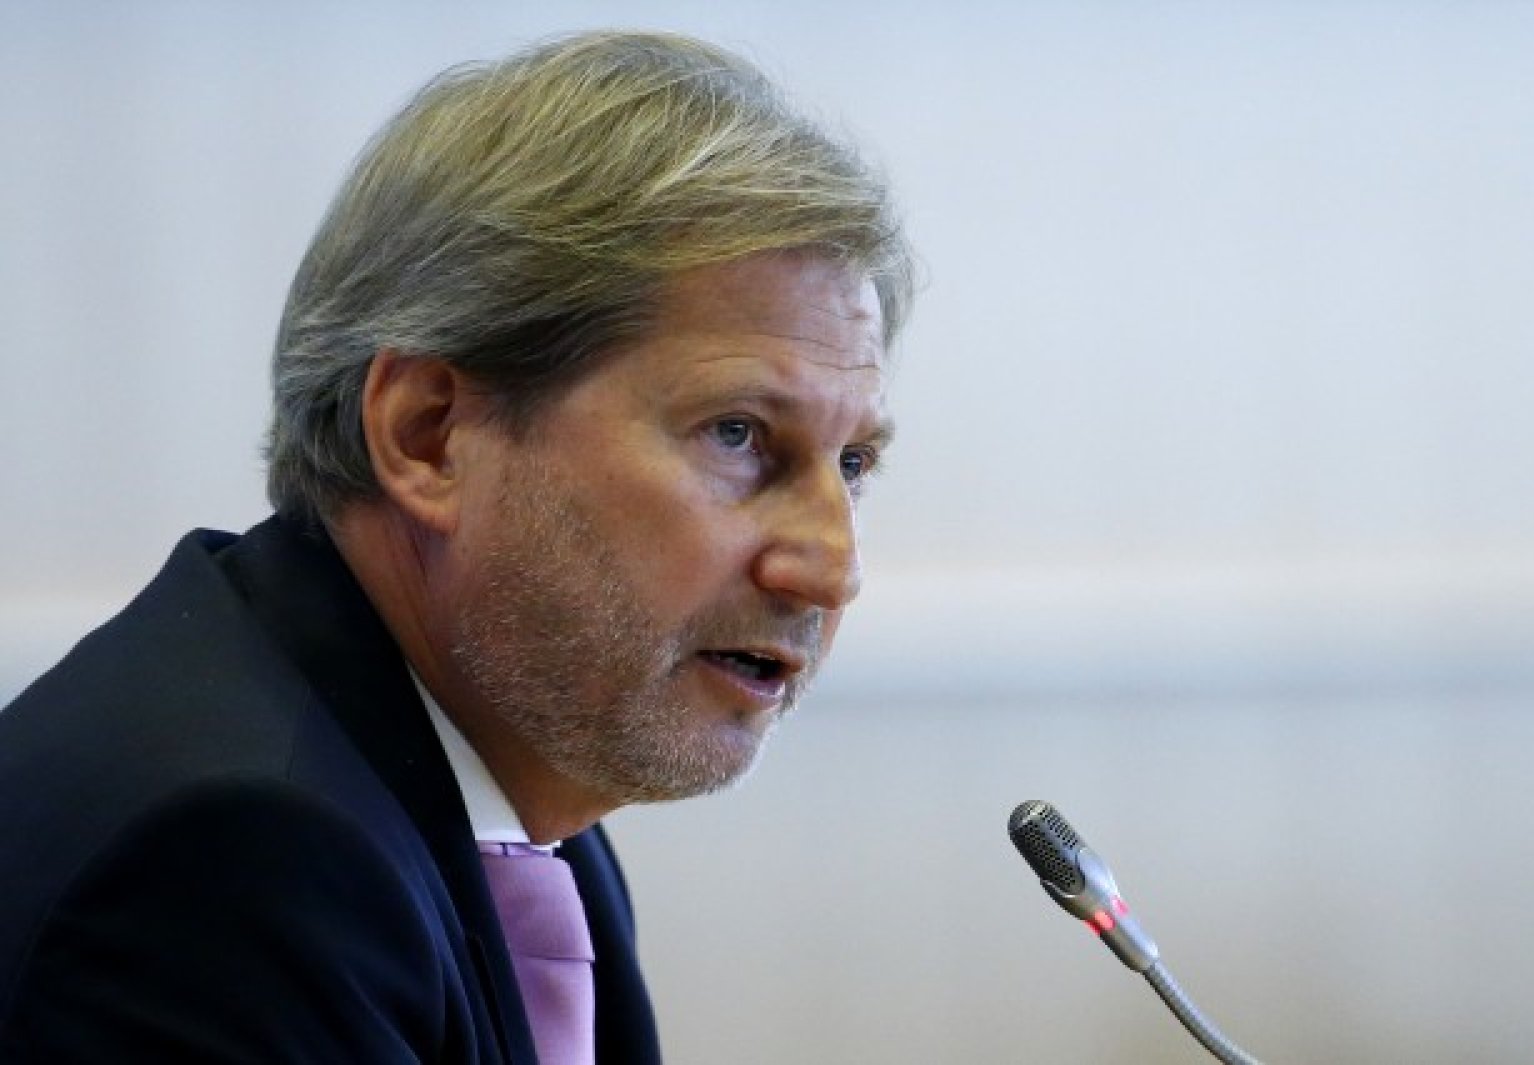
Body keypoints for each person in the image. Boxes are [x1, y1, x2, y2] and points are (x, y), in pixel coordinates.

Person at [0, 30, 913, 1064]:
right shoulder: (229, 862)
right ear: (429, 435)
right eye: (737, 435)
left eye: (853, 462)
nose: (831, 569)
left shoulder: (511, 784)